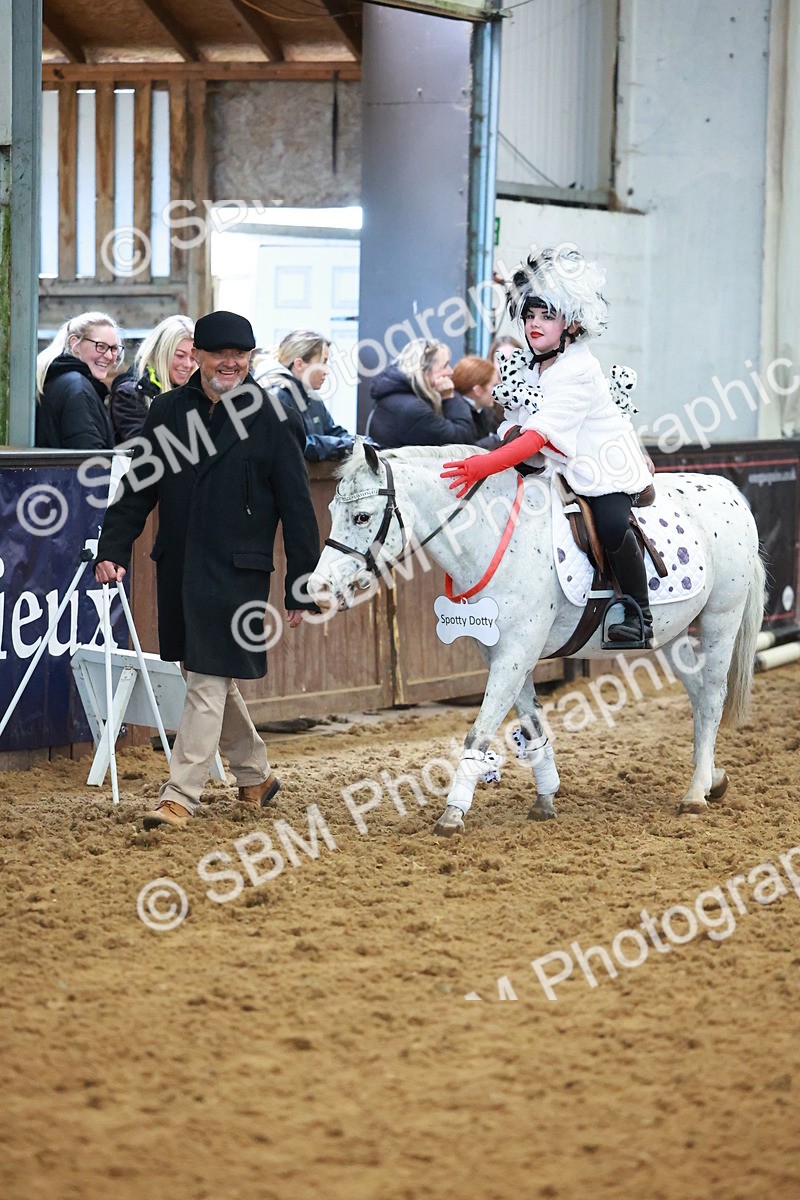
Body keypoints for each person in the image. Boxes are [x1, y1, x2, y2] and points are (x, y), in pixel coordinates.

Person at [94, 310, 320, 830]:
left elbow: (297, 507)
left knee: (207, 680)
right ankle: (256, 775)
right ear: (197, 355)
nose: (232, 364)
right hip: (178, 566)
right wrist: (114, 547)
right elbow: (138, 488)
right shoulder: (168, 411)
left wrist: (300, 585)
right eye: (221, 354)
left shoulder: (272, 416)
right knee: (203, 673)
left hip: (239, 573)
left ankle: (180, 794)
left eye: (241, 356)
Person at [441, 246, 655, 648]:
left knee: (610, 522)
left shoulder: (578, 368)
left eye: (547, 316)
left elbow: (535, 437)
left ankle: (639, 614)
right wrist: (509, 438)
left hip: (601, 464)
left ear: (572, 324)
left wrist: (482, 464)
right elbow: (514, 425)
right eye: (530, 315)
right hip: (557, 461)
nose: (534, 324)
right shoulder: (527, 362)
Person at [255, 330, 356, 461]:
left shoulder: (312, 397)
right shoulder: (274, 395)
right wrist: (343, 446)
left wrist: (360, 444)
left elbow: (332, 432)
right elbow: (295, 445)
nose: (327, 371)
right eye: (323, 362)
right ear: (299, 364)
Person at [366, 338, 475, 449]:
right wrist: (450, 397)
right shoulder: (414, 409)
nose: (450, 372)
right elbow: (462, 440)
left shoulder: (396, 395)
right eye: (444, 366)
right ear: (424, 371)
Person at [36, 311, 121, 450]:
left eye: (114, 349)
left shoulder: (58, 379)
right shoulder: (78, 388)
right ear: (74, 343)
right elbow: (89, 461)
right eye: (101, 346)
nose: (109, 356)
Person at [109, 315, 195, 443]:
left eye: (193, 358)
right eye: (180, 355)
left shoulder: (197, 392)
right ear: (160, 352)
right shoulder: (130, 394)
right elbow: (144, 448)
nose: (188, 364)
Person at [451, 355, 503, 448]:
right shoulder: (460, 414)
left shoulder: (484, 409)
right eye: (494, 385)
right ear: (478, 390)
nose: (498, 391)